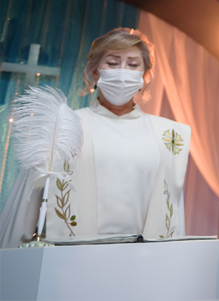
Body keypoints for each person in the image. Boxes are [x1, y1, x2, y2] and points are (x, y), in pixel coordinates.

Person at [0, 28, 190, 247]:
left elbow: (172, 212)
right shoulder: (63, 127)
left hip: (143, 259)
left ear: (144, 75)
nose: (122, 72)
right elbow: (26, 203)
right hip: (73, 260)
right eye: (113, 62)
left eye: (132, 64)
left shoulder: (168, 135)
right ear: (96, 72)